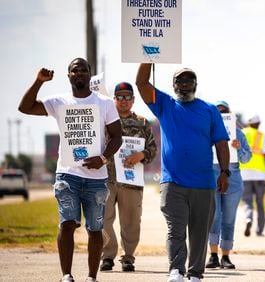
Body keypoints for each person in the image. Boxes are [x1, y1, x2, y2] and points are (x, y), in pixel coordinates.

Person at [18, 58, 122, 282]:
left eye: (84, 70)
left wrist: (103, 159)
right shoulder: (59, 102)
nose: (80, 74)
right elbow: (25, 107)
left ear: (89, 75)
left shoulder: (104, 103)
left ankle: (92, 277)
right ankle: (66, 275)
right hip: (67, 175)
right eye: (75, 70)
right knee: (67, 224)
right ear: (69, 76)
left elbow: (117, 137)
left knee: (95, 229)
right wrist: (39, 82)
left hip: (96, 177)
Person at [135, 64, 230, 282]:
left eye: (189, 80)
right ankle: (176, 270)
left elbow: (222, 144)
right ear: (173, 85)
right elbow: (141, 83)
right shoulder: (165, 105)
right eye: (180, 80)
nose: (184, 84)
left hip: (204, 184)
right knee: (175, 229)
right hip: (173, 182)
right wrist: (148, 58)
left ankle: (195, 273)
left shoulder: (209, 110)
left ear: (196, 84)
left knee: (199, 233)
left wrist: (225, 172)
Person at [100, 82, 157, 272]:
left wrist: (141, 155)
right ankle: (107, 255)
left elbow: (152, 149)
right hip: (106, 178)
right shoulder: (104, 120)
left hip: (131, 181)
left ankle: (128, 257)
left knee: (131, 221)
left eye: (127, 97)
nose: (124, 101)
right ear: (113, 99)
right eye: (120, 97)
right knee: (103, 219)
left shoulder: (142, 123)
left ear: (133, 100)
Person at [205, 101, 252, 269]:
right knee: (214, 217)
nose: (222, 115)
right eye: (218, 112)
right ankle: (212, 255)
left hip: (233, 181)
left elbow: (247, 159)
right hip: (212, 179)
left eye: (224, 112)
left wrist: (239, 148)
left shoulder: (239, 134)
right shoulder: (206, 131)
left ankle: (226, 256)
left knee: (228, 220)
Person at [240, 115, 265, 236]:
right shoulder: (261, 136)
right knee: (260, 203)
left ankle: (248, 219)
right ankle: (259, 230)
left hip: (244, 174)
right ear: (258, 123)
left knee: (247, 201)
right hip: (260, 175)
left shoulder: (241, 133)